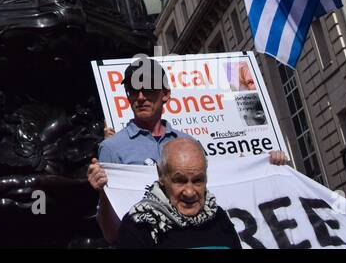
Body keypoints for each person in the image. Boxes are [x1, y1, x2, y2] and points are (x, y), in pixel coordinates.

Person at [87, 57, 287, 243]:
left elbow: (221, 190)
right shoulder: (111, 148)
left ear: (165, 94)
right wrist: (103, 192)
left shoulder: (190, 143)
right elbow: (111, 233)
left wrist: (269, 167)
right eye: (133, 90)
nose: (140, 97)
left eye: (148, 89)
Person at [114, 138, 240, 248]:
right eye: (180, 181)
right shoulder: (140, 225)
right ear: (161, 175)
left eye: (197, 181)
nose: (189, 192)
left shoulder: (218, 217)